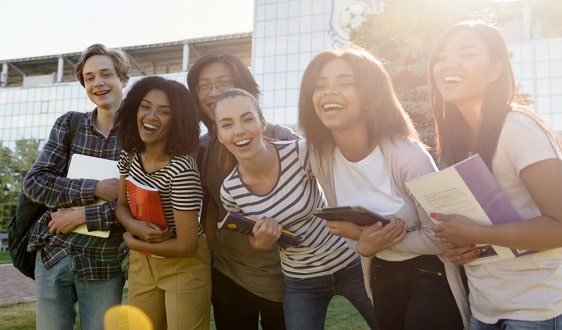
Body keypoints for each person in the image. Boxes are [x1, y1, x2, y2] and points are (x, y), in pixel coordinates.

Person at [298, 48, 469, 329]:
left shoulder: (408, 155)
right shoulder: (322, 158)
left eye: (344, 83)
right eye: (320, 86)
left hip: (430, 272)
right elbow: (346, 226)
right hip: (379, 273)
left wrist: (369, 240)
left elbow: (443, 238)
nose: (328, 92)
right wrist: (363, 243)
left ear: (369, 96)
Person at [429, 21, 562, 329]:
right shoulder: (457, 141)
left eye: (466, 53)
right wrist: (458, 245)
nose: (449, 64)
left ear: (495, 70)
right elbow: (485, 226)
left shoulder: (518, 130)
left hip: (535, 313)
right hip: (485, 310)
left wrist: (475, 233)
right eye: (442, 56)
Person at [215, 88, 377, 330]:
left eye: (247, 118)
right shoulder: (230, 191)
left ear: (262, 122)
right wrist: (261, 241)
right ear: (219, 135)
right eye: (227, 124)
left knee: (390, 322)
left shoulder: (300, 153)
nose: (239, 130)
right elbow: (256, 243)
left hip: (350, 262)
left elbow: (345, 182)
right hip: (301, 280)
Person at [23, 44, 129, 330]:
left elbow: (136, 205)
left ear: (123, 79)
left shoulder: (139, 136)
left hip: (104, 265)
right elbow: (35, 183)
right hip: (54, 255)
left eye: (106, 74)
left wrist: (81, 216)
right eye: (90, 77)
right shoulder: (70, 124)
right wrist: (94, 188)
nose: (98, 83)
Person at [187, 54, 296, 330]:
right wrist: (207, 264)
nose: (213, 93)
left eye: (223, 83)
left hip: (286, 276)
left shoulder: (283, 139)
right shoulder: (202, 149)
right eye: (204, 85)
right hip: (229, 275)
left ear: (245, 88)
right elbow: (210, 211)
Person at [114, 76, 211, 329]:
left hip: (183, 266)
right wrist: (135, 230)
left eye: (164, 111)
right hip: (142, 262)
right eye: (145, 106)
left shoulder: (182, 169)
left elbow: (187, 245)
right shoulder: (129, 153)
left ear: (176, 121)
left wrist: (133, 241)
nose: (151, 116)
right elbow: (121, 205)